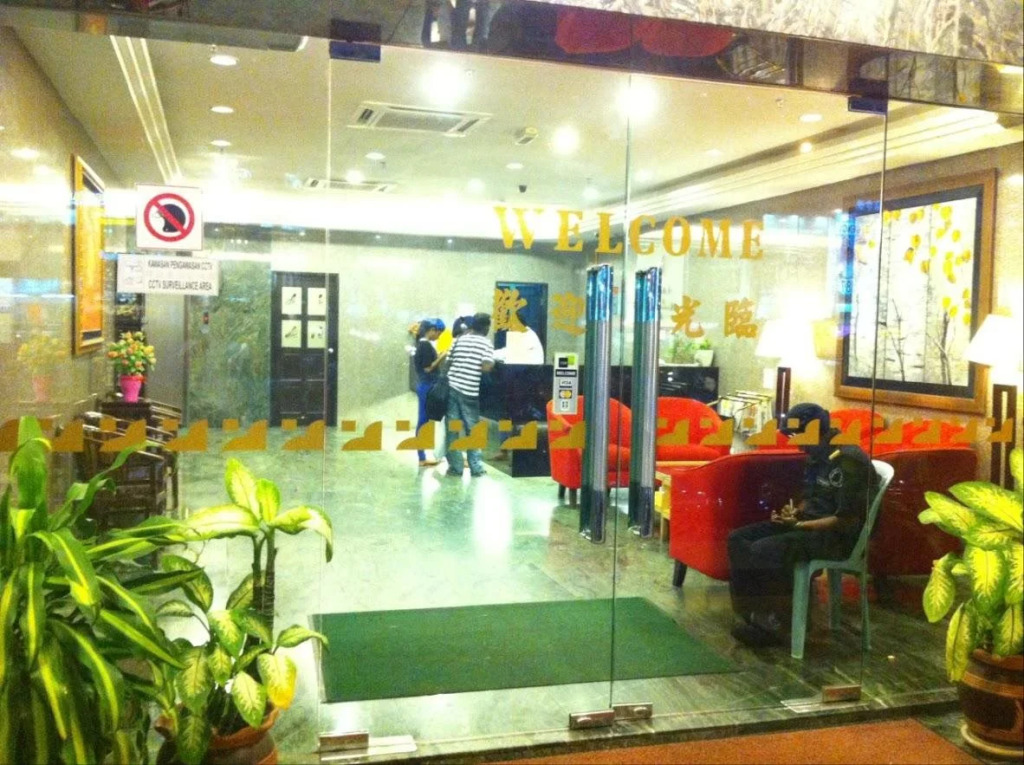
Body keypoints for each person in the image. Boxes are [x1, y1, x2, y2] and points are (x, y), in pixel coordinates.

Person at [726, 403, 874, 648]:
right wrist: (794, 512)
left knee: (766, 549)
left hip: (836, 537)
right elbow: (811, 497)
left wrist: (801, 524)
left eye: (799, 436)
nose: (797, 444)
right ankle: (752, 614)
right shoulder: (817, 455)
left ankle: (779, 623)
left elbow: (847, 519)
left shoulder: (849, 460)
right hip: (809, 525)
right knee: (739, 539)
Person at [444, 312, 495, 477]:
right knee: (473, 430)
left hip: (452, 388)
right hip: (469, 390)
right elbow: (486, 367)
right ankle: (476, 468)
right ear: (486, 327)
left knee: (453, 429)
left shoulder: (459, 339)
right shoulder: (486, 343)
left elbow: (448, 362)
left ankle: (455, 468)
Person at [413, 318, 447, 467]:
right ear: (432, 330)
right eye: (439, 333)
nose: (439, 336)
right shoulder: (425, 345)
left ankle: (423, 456)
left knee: (423, 420)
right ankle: (422, 457)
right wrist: (441, 357)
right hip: (428, 387)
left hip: (425, 386)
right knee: (423, 421)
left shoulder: (421, 344)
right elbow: (428, 368)